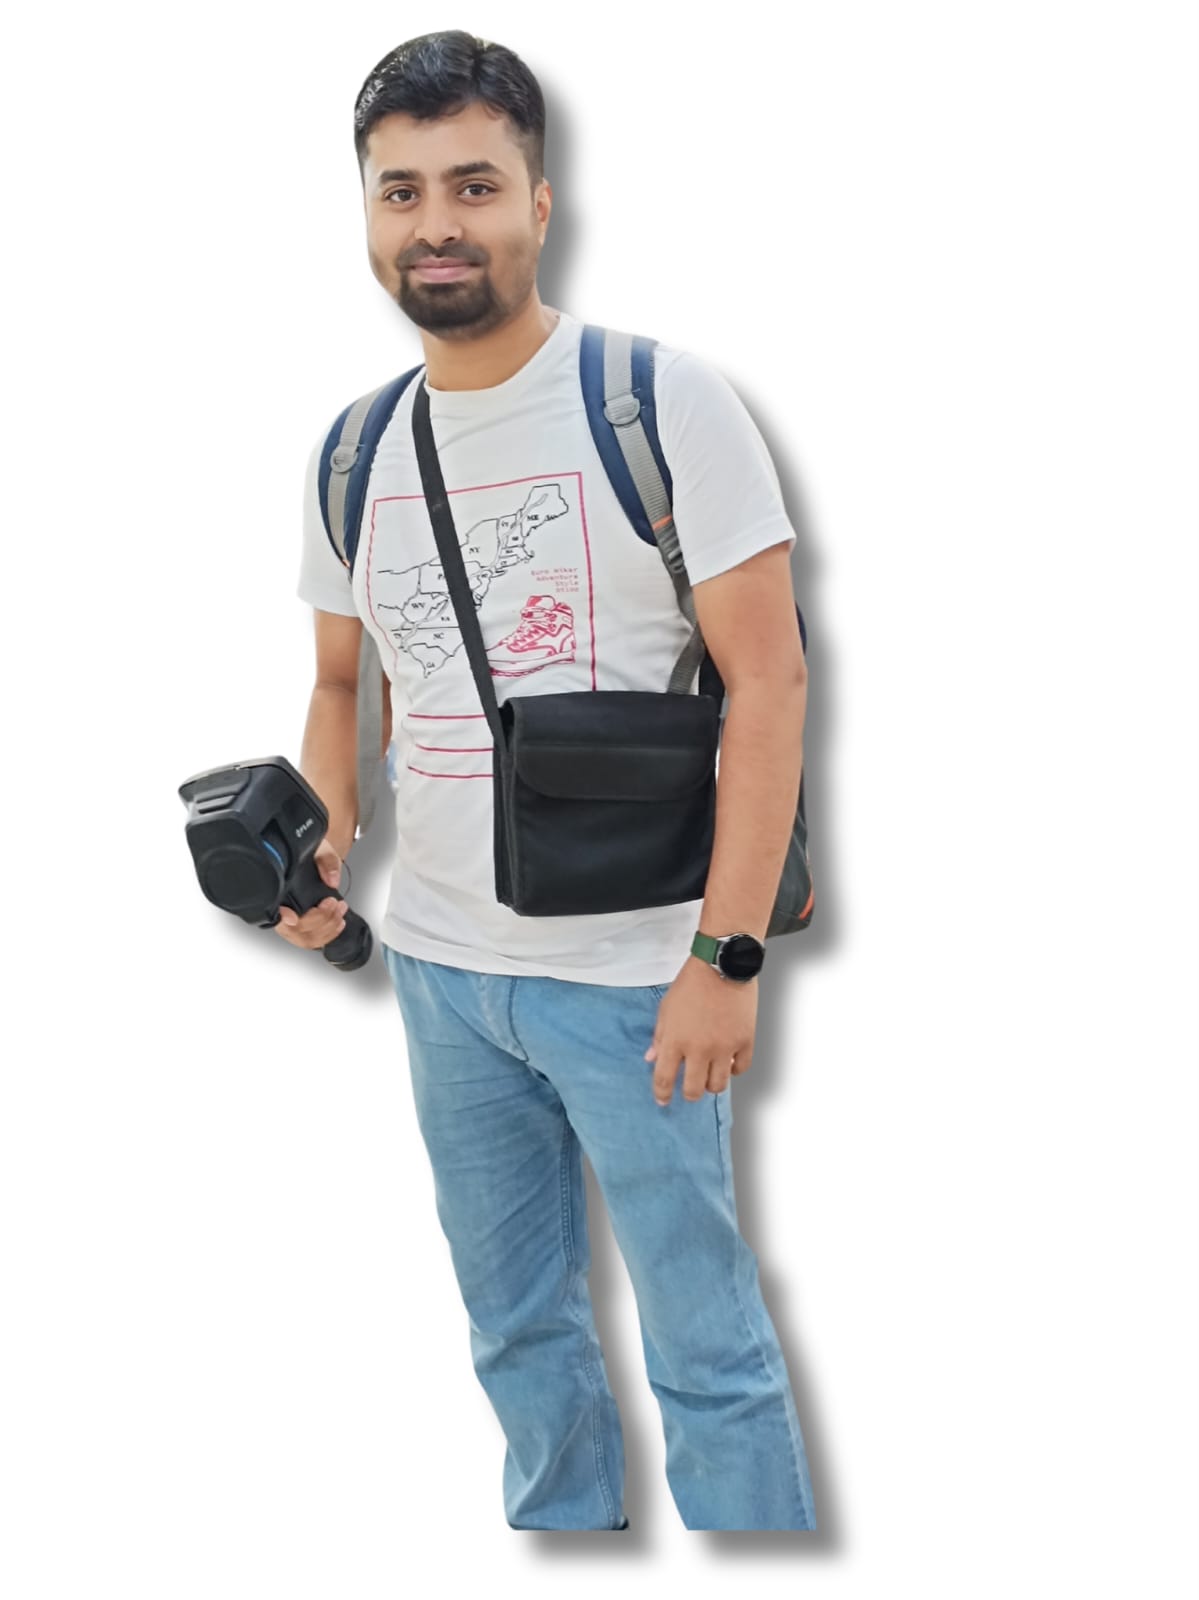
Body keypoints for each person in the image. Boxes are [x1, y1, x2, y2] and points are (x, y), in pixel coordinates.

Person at [279, 29, 816, 1533]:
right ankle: (569, 1541)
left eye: (473, 185)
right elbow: (345, 687)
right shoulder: (354, 450)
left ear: (538, 200)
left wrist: (726, 957)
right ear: (369, 213)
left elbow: (770, 683)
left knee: (705, 1346)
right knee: (515, 1330)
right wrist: (320, 843)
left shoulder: (659, 401)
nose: (435, 223)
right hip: (443, 976)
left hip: (639, 975)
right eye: (400, 192)